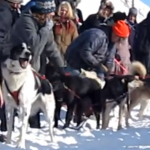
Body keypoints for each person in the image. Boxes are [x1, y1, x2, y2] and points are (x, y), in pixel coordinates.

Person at [1, 0, 65, 129]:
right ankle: (6, 130)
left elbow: (51, 48)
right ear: (44, 13)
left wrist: (63, 68)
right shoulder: (26, 22)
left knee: (29, 100)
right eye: (51, 12)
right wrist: (47, 30)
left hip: (28, 70)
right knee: (10, 100)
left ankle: (33, 129)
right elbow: (34, 46)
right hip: (12, 67)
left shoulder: (44, 25)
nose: (54, 14)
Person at [65, 20, 131, 78]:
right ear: (115, 34)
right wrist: (98, 65)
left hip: (88, 68)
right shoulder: (98, 36)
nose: (119, 41)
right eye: (120, 38)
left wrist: (108, 73)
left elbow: (109, 60)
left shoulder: (112, 43)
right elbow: (85, 52)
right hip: (74, 64)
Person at [0, 0, 22, 132]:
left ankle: (6, 125)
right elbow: (1, 37)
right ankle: (5, 126)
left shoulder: (9, 11)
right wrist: (11, 54)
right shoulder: (4, 13)